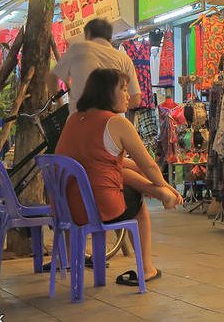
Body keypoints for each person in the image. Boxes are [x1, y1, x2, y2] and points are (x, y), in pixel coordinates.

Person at [54, 68, 182, 287]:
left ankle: (158, 192)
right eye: (122, 89)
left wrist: (155, 182)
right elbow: (150, 165)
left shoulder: (73, 119)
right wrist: (167, 185)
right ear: (106, 93)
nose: (128, 95)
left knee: (119, 173)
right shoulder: (117, 123)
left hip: (65, 207)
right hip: (97, 208)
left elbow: (102, 163)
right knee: (138, 205)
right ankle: (147, 268)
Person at [53, 18, 142, 115]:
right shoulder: (124, 59)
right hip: (113, 123)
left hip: (79, 121)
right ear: (109, 37)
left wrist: (59, 101)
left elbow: (52, 77)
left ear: (88, 35)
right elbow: (136, 100)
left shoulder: (77, 51)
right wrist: (113, 105)